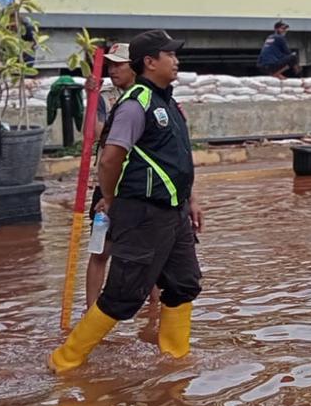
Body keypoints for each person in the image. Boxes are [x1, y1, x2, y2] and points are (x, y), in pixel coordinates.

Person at [48, 30, 203, 372]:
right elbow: (110, 158)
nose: (176, 61)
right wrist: (110, 198)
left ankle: (174, 360)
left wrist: (191, 200)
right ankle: (65, 361)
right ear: (149, 62)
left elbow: (180, 158)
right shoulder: (136, 103)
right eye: (170, 55)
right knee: (124, 295)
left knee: (184, 283)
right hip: (142, 211)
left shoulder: (168, 102)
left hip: (173, 212)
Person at [84, 43, 159, 317]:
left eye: (119, 64)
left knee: (150, 253)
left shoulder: (151, 96)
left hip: (140, 184)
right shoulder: (104, 96)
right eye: (110, 65)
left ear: (135, 66)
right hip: (108, 183)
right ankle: (91, 312)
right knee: (101, 251)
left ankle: (154, 310)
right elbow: (92, 133)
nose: (113, 70)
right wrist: (91, 100)